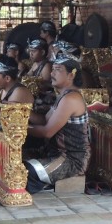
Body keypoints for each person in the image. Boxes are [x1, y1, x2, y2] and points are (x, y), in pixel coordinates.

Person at [24, 56, 91, 193]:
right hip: (55, 152)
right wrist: (22, 113)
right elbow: (44, 121)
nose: (51, 73)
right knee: (17, 158)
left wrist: (20, 129)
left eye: (57, 70)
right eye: (52, 69)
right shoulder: (63, 96)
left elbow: (47, 131)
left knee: (24, 172)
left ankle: (44, 185)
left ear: (71, 75)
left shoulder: (71, 98)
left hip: (72, 160)